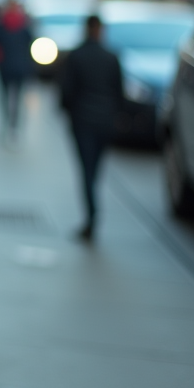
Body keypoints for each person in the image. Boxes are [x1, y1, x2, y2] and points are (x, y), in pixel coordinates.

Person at [60, 15, 123, 242]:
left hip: (83, 121)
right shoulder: (111, 57)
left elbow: (66, 93)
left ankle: (91, 215)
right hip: (104, 121)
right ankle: (92, 213)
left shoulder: (76, 56)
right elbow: (119, 93)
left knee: (86, 170)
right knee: (94, 169)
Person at [0, 0, 33, 140]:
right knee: (17, 99)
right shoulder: (25, 27)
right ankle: (13, 127)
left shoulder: (0, 26)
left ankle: (6, 123)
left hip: (4, 67)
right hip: (20, 67)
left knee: (4, 97)